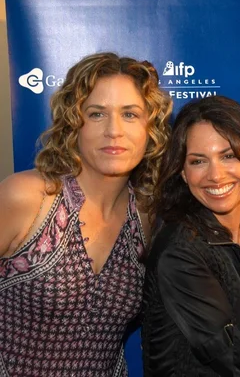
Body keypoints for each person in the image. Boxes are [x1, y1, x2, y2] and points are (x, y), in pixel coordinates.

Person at [0, 52, 172, 376]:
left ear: (151, 129)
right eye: (96, 114)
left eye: (130, 114)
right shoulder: (27, 198)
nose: (114, 131)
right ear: (73, 123)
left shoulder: (147, 217)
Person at [142, 95, 240, 377]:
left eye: (228, 156)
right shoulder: (179, 251)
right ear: (184, 173)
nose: (215, 175)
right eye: (198, 161)